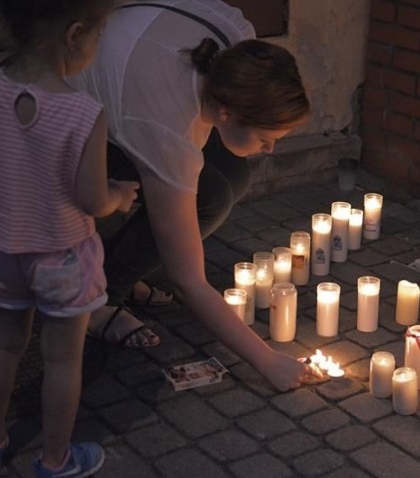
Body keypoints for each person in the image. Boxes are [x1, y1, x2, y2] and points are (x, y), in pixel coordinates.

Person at [70, 0, 317, 391]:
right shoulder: (165, 126)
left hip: (126, 89)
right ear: (226, 113)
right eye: (265, 139)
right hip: (60, 128)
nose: (270, 151)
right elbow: (188, 281)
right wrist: (268, 362)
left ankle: (121, 267)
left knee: (233, 172)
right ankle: (98, 304)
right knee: (209, 197)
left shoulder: (234, 45)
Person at [0, 0, 139, 478]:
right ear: (74, 34)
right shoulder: (83, 113)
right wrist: (120, 196)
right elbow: (90, 199)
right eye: (98, 35)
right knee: (63, 358)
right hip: (62, 258)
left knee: (2, 346)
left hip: (1, 249)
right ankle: (55, 460)